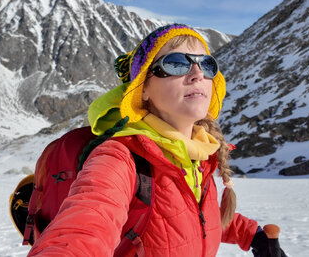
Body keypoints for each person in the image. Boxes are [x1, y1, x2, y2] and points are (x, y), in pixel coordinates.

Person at [28, 24, 286, 256]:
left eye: (206, 65)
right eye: (176, 63)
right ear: (144, 89)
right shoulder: (120, 158)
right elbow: (84, 226)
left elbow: (191, 217)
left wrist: (253, 234)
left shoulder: (197, 155)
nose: (197, 74)